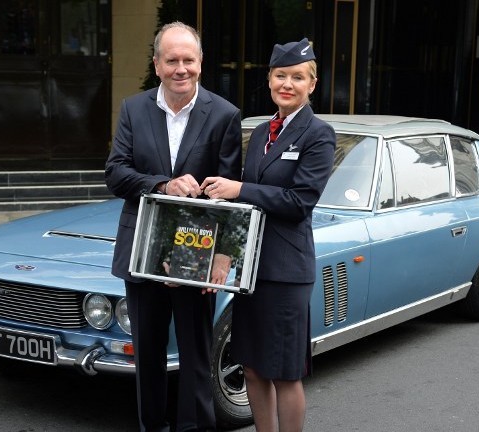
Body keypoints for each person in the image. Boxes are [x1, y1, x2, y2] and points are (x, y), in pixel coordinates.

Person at [104, 22, 242, 432]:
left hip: (197, 251)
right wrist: (163, 185)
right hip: (142, 248)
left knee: (196, 353)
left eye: (188, 60)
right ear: (157, 65)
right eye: (172, 60)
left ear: (200, 62)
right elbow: (116, 173)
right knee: (147, 354)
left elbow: (232, 193)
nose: (181, 68)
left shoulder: (224, 115)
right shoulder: (133, 109)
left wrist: (224, 255)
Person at [200, 38, 335, 431]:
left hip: (286, 272)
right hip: (252, 271)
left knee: (284, 374)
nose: (287, 84)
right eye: (280, 76)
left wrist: (239, 188)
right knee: (253, 367)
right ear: (270, 79)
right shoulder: (261, 132)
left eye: (297, 77)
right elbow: (244, 208)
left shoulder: (319, 134)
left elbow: (299, 202)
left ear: (312, 84)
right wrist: (225, 255)